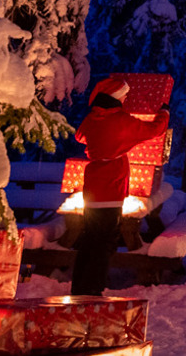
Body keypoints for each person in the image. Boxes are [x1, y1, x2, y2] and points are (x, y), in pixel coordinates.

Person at [71, 76, 169, 295]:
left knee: (89, 239)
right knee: (105, 243)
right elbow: (155, 129)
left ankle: (79, 287)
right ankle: (93, 291)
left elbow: (80, 136)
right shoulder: (122, 121)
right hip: (112, 189)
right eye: (125, 95)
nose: (127, 98)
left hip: (92, 188)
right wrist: (165, 112)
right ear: (116, 96)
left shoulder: (92, 119)